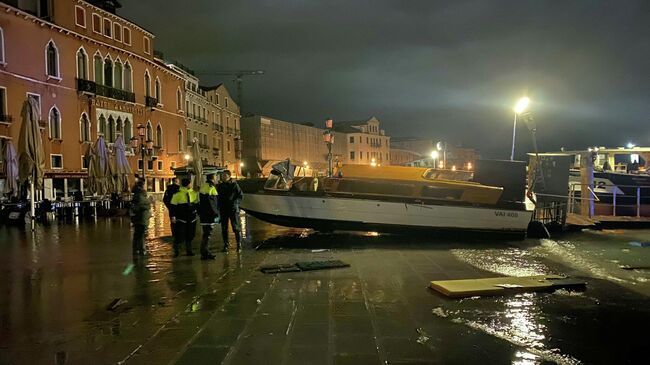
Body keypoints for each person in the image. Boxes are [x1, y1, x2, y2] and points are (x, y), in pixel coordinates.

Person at [170, 178, 199, 257]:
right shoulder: (178, 194)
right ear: (188, 184)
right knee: (180, 236)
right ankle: (177, 251)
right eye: (190, 183)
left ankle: (188, 251)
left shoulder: (193, 193)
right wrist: (173, 217)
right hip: (182, 219)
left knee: (190, 235)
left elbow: (197, 205)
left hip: (191, 218)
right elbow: (173, 207)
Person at [217, 170, 243, 252]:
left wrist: (235, 204)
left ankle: (239, 245)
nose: (223, 177)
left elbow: (240, 195)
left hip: (233, 209)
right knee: (224, 228)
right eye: (222, 175)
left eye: (224, 175)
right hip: (223, 209)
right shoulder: (219, 186)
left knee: (236, 227)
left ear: (229, 176)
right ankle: (226, 245)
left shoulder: (234, 185)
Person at [198, 174, 219, 260]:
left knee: (205, 234)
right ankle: (205, 253)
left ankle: (204, 252)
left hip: (203, 214)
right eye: (215, 177)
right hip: (209, 215)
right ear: (213, 178)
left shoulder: (203, 186)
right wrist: (216, 213)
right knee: (207, 234)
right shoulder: (211, 187)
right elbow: (212, 203)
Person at [130, 180, 151, 257]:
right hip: (141, 218)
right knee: (141, 234)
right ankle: (141, 250)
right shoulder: (140, 195)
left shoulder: (137, 195)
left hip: (139, 218)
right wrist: (149, 204)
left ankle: (136, 249)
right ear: (142, 185)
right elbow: (141, 206)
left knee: (138, 234)